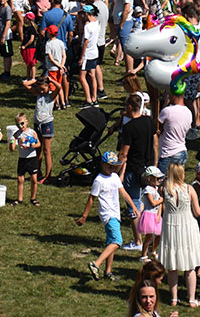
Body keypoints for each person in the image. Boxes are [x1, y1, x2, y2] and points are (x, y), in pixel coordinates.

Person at [77, 151, 139, 282]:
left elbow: (123, 193)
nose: (111, 168)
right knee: (117, 241)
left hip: (115, 213)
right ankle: (96, 264)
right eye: (109, 165)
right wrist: (84, 216)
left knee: (111, 242)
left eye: (114, 165)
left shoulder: (115, 177)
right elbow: (91, 199)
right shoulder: (99, 180)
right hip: (108, 215)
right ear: (102, 164)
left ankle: (108, 271)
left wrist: (133, 206)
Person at [158, 163, 200, 307]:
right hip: (187, 226)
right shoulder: (189, 189)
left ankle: (174, 298)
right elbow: (198, 212)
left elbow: (161, 190)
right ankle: (191, 299)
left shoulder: (164, 189)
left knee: (172, 265)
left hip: (171, 227)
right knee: (190, 265)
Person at [119, 92, 157, 251]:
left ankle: (138, 241)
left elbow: (124, 154)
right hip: (148, 168)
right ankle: (149, 237)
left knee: (133, 205)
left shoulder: (129, 128)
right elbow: (155, 144)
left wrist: (118, 171)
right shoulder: (149, 122)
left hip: (133, 170)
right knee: (144, 203)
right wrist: (154, 165)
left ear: (129, 107)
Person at [10, 112, 40, 206]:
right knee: (20, 179)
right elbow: (12, 148)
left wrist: (34, 145)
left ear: (27, 122)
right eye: (18, 125)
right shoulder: (17, 134)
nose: (20, 126)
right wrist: (12, 142)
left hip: (32, 158)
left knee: (34, 179)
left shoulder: (32, 132)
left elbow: (38, 143)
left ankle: (33, 198)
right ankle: (19, 199)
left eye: (22, 123)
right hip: (22, 158)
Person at [158, 90, 191, 169]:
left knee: (162, 177)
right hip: (182, 150)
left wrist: (165, 104)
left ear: (173, 96)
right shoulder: (188, 112)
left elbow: (157, 126)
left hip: (168, 152)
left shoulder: (167, 111)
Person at [137, 165, 164, 262]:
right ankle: (143, 255)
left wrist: (159, 214)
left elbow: (159, 205)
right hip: (149, 215)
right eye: (157, 178)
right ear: (149, 178)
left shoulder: (156, 188)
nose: (159, 180)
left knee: (159, 234)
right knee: (149, 236)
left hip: (156, 215)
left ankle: (153, 250)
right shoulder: (148, 189)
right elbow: (152, 202)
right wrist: (161, 200)